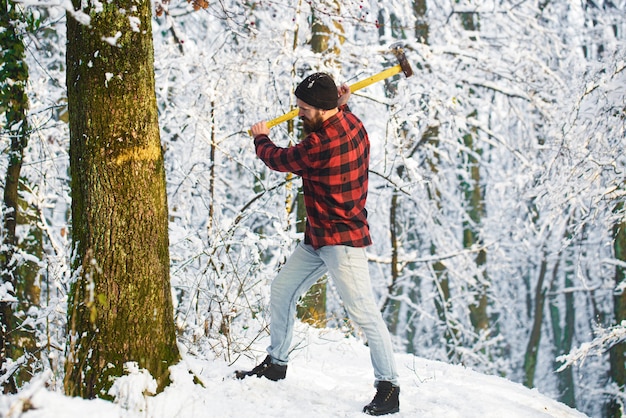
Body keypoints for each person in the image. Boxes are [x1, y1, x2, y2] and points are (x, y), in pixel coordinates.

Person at [238, 72, 400, 416]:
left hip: (341, 240)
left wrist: (260, 138)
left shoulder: (318, 146)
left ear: (323, 111)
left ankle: (389, 388)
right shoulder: (351, 122)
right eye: (298, 106)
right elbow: (337, 114)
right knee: (282, 288)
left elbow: (280, 160)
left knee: (364, 313)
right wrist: (341, 102)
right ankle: (276, 364)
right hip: (318, 235)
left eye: (305, 109)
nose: (299, 114)